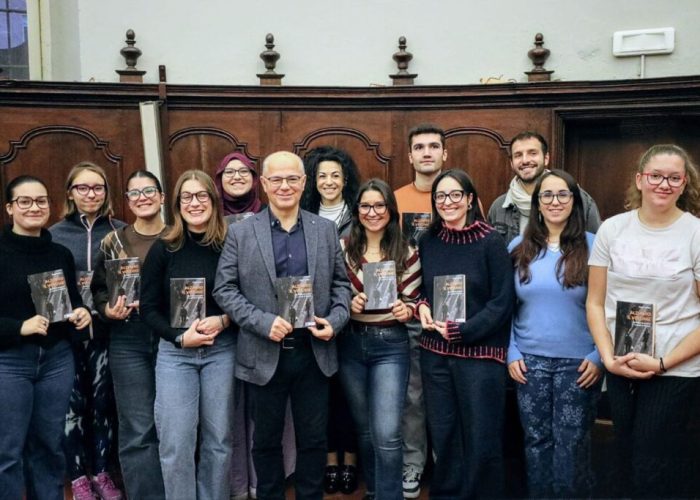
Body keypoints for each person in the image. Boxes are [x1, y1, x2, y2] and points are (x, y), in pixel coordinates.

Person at [213, 151, 351, 500]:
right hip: (264, 352)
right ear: (264, 183)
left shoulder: (325, 230)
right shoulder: (241, 233)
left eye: (293, 178)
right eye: (276, 179)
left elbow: (341, 285)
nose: (285, 186)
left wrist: (334, 321)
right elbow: (224, 289)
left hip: (313, 351)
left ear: (304, 183)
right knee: (267, 442)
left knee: (313, 440)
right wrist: (261, 322)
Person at [587, 144, 700, 498]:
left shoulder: (695, 233)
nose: (663, 184)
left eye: (673, 177)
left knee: (654, 460)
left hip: (675, 367)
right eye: (655, 176)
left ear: (684, 184)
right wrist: (607, 359)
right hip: (621, 363)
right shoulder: (612, 229)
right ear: (640, 179)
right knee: (624, 453)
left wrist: (663, 362)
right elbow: (594, 302)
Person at [416, 169, 514, 498]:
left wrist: (464, 331)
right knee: (444, 434)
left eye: (455, 195)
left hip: (481, 357)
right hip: (435, 355)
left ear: (470, 199)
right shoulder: (427, 240)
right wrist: (422, 308)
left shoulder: (491, 241)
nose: (448, 202)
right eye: (441, 196)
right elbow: (420, 291)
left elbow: (503, 303)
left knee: (481, 436)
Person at [140, 169, 236, 500]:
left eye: (201, 196)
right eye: (187, 197)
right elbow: (147, 308)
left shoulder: (230, 245)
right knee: (176, 440)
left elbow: (249, 298)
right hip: (176, 353)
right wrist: (179, 337)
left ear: (213, 200)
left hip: (222, 351)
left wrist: (223, 321)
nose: (194, 203)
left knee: (219, 440)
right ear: (178, 204)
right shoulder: (163, 248)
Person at [507, 169, 602, 497]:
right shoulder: (519, 247)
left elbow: (608, 306)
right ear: (537, 204)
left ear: (574, 201)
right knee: (536, 441)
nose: (554, 201)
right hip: (529, 361)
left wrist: (599, 355)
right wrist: (512, 352)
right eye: (546, 195)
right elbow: (508, 307)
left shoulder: (594, 247)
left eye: (563, 194)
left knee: (572, 443)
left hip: (578, 364)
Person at [0, 175, 91, 500]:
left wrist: (80, 314)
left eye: (40, 200)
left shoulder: (60, 253)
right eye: (24, 201)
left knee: (50, 446)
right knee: (7, 452)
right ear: (10, 207)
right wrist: (18, 327)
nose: (34, 207)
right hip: (9, 361)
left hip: (56, 359)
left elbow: (70, 303)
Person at [214, 151, 294, 500]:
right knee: (234, 420)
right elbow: (224, 286)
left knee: (278, 425)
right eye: (227, 172)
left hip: (286, 338)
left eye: (241, 171)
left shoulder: (277, 217)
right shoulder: (210, 217)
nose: (235, 177)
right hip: (232, 334)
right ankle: (239, 483)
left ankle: (270, 481)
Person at [340, 178, 421, 500]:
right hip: (350, 342)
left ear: (390, 210)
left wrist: (407, 309)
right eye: (365, 206)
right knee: (364, 429)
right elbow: (332, 293)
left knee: (387, 433)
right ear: (357, 211)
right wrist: (347, 303)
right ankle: (374, 491)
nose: (372, 212)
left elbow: (416, 301)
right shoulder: (343, 248)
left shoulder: (408, 250)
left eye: (379, 205)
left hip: (391, 345)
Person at [50, 161, 125, 500]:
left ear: (106, 193)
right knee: (72, 406)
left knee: (104, 405)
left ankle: (101, 472)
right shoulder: (52, 234)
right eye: (83, 187)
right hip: (66, 336)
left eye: (97, 187)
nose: (91, 194)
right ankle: (78, 477)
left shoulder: (120, 231)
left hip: (108, 333)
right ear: (70, 193)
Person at [90, 170, 167, 499]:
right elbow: (98, 290)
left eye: (149, 190)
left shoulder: (179, 236)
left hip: (172, 337)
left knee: (175, 426)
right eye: (134, 193)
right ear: (127, 200)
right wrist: (107, 309)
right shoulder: (113, 241)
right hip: (128, 339)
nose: (143, 197)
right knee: (137, 429)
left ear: (162, 196)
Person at [302, 146, 361, 494]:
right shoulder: (303, 214)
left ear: (345, 179)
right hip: (312, 320)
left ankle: (350, 461)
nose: (328, 181)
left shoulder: (362, 213)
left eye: (335, 175)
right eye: (322, 175)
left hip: (352, 320)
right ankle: (328, 461)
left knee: (347, 397)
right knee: (320, 399)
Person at [393, 124, 447, 498]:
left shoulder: (459, 196)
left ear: (445, 155)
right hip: (408, 314)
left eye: (433, 146)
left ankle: (446, 464)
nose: (426, 153)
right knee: (412, 397)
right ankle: (412, 464)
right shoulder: (394, 199)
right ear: (410, 156)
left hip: (449, 317)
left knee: (446, 395)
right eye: (419, 147)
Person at [488, 131, 602, 245]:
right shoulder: (499, 207)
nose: (525, 160)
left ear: (546, 158)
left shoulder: (580, 199)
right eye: (518, 155)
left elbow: (597, 250)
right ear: (512, 163)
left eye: (532, 153)